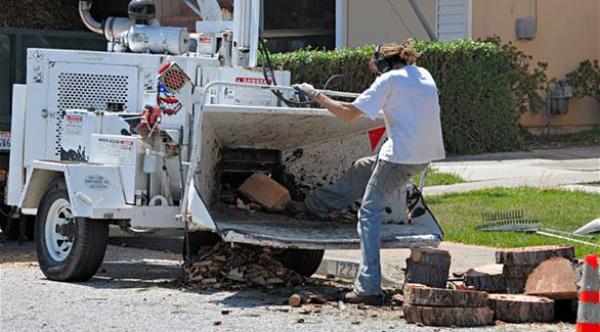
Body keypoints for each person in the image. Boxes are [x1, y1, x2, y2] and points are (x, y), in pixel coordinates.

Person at [291, 41, 446, 305]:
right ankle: (315, 206)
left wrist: (316, 94)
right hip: (425, 154)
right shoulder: (423, 75)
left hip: (399, 156)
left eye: (377, 69)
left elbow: (349, 114)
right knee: (364, 166)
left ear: (383, 65)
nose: (377, 74)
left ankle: (368, 287)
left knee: (368, 213)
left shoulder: (389, 81)